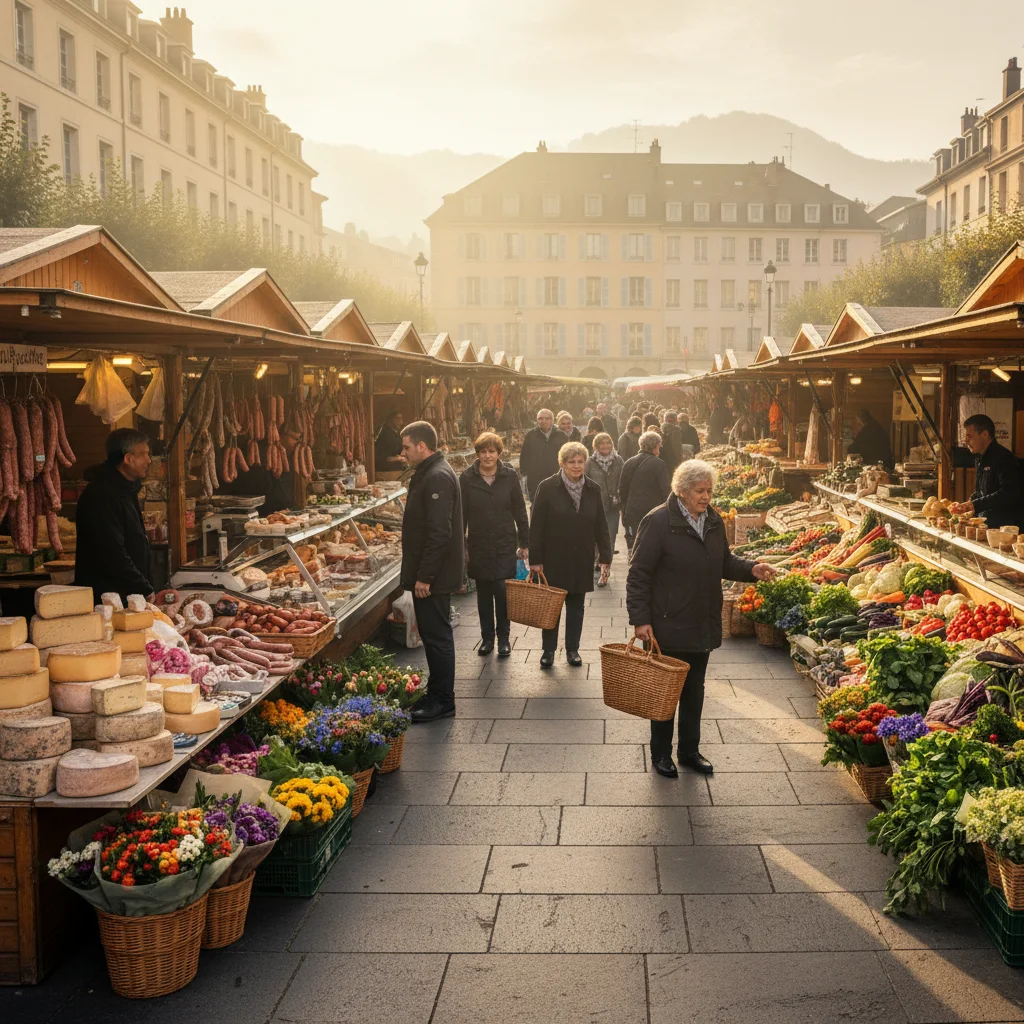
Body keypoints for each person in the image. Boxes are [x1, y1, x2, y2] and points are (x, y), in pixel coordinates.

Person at [626, 460, 776, 777]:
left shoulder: (713, 521)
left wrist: (751, 569)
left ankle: (689, 751)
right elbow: (638, 575)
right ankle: (661, 754)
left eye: (709, 490)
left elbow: (723, 562)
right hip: (666, 624)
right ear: (681, 491)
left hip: (700, 621)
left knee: (695, 690)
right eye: (700, 490)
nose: (706, 496)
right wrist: (640, 620)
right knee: (665, 692)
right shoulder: (658, 521)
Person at [399, 421, 465, 723]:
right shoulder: (431, 472)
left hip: (433, 577)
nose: (404, 453)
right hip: (430, 573)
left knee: (437, 637)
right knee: (432, 634)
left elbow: (440, 532)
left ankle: (443, 700)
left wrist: (425, 576)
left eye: (407, 447)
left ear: (422, 446)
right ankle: (436, 691)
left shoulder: (437, 476)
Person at [529, 441, 612, 668]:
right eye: (571, 462)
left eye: (580, 461)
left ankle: (573, 650)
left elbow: (601, 525)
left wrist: (605, 557)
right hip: (553, 559)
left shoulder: (593, 489)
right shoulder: (547, 487)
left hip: (581, 558)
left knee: (576, 607)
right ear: (562, 463)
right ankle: (548, 650)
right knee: (552, 606)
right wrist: (535, 560)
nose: (577, 466)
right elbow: (535, 526)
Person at [460, 432, 529, 658]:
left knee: (501, 590)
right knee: (483, 593)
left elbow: (520, 509)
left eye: (491, 451)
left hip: (504, 541)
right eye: (483, 452)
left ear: (499, 453)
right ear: (477, 454)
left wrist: (525, 542)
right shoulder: (467, 478)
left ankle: (504, 639)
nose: (487, 456)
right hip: (478, 543)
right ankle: (487, 638)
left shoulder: (509, 476)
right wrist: (461, 544)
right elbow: (461, 514)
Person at [74, 428, 154, 604]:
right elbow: (112, 552)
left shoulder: (126, 488)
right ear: (128, 459)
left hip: (128, 594)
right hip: (108, 599)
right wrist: (143, 587)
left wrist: (146, 586)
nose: (149, 460)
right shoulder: (101, 495)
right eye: (144, 454)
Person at [949, 413, 1022, 529]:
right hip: (984, 523)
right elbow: (980, 492)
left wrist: (975, 504)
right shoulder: (979, 459)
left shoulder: (1004, 457)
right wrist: (966, 505)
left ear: (985, 434)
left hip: (1003, 527)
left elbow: (1009, 493)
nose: (966, 440)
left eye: (969, 436)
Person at [619, 430, 672, 550]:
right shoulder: (659, 464)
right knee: (652, 544)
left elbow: (622, 489)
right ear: (655, 446)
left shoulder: (628, 463)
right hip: (653, 511)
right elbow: (666, 490)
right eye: (659, 446)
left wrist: (624, 510)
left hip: (632, 511)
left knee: (635, 545)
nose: (659, 449)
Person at [585, 432, 625, 577]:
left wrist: (620, 496)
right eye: (602, 443)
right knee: (595, 535)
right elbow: (585, 482)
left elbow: (624, 480)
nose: (606, 446)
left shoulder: (619, 460)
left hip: (613, 505)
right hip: (595, 506)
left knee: (610, 535)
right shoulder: (590, 462)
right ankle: (597, 560)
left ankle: (605, 565)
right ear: (596, 446)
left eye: (608, 443)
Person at [519, 408, 569, 501]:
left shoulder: (561, 436)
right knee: (536, 506)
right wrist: (525, 474)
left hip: (557, 478)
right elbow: (524, 456)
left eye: (547, 418)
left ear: (552, 420)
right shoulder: (530, 436)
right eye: (540, 418)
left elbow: (567, 456)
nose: (543, 421)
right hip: (536, 480)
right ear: (537, 420)